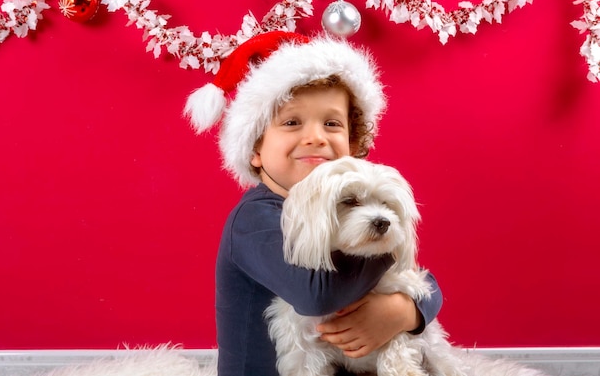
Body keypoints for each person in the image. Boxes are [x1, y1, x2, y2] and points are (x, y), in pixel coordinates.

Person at [184, 31, 443, 376]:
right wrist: (392, 248)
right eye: (292, 122)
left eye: (332, 123)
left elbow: (419, 283)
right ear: (256, 150)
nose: (316, 137)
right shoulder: (255, 218)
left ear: (351, 142)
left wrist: (405, 310)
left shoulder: (346, 208)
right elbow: (317, 297)